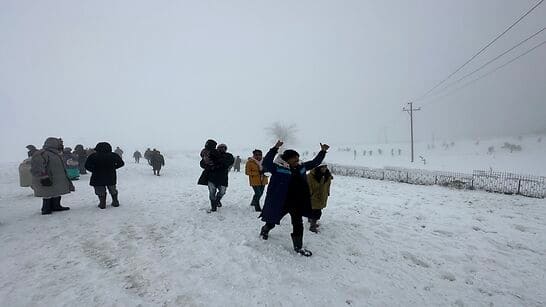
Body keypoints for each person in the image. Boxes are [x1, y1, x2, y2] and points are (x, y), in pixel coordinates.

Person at [259, 140, 329, 257]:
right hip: (282, 202)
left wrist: (323, 151)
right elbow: (266, 163)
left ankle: (298, 247)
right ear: (287, 159)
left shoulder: (301, 167)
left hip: (297, 202)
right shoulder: (277, 168)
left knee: (298, 224)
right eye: (295, 159)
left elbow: (314, 162)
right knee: (272, 220)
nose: (297, 161)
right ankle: (265, 229)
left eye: (298, 158)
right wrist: (275, 148)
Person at [30, 137, 74, 215]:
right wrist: (43, 177)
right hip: (47, 177)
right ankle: (46, 208)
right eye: (59, 144)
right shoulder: (42, 153)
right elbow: (37, 166)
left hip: (56, 178)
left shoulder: (56, 154)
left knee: (56, 191)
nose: (61, 146)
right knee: (47, 193)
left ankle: (56, 206)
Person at [85, 142, 125, 209]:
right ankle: (115, 201)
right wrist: (113, 167)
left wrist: (94, 170)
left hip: (97, 176)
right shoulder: (113, 155)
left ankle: (102, 203)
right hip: (110, 175)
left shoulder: (93, 156)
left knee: (100, 190)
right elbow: (121, 163)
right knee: (112, 189)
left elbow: (87, 166)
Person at [307, 163, 333, 233]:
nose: (324, 169)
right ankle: (312, 226)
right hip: (314, 196)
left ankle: (311, 220)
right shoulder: (311, 176)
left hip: (323, 196)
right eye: (322, 167)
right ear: (318, 168)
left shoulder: (327, 175)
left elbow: (328, 185)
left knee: (314, 210)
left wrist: (327, 192)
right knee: (316, 212)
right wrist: (310, 194)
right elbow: (308, 186)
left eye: (325, 167)